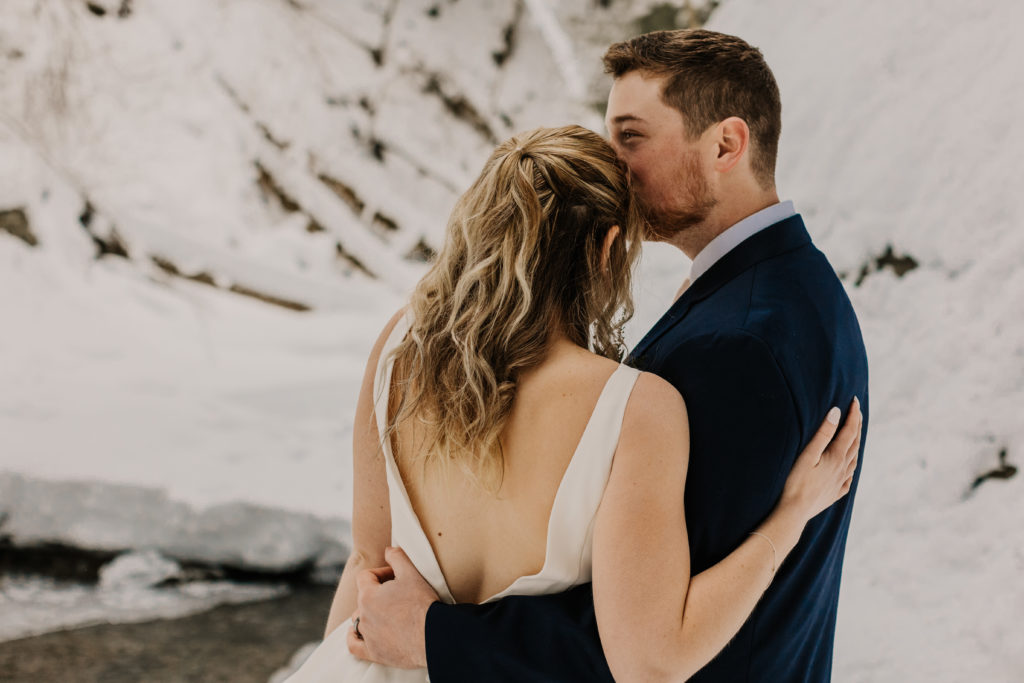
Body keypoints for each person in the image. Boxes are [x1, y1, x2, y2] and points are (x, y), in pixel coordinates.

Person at [344, 29, 870, 682]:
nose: (615, 164)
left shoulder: (736, 347)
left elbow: (642, 638)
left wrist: (431, 633)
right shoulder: (792, 288)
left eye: (632, 137)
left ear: (726, 145)